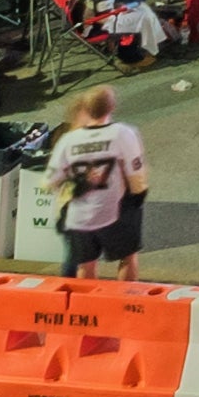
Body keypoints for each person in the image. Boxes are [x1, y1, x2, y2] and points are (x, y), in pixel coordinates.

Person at [51, 83, 149, 271]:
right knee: (124, 257)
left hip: (75, 211)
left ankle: (77, 297)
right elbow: (134, 173)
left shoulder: (66, 139)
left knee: (80, 263)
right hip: (101, 207)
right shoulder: (115, 135)